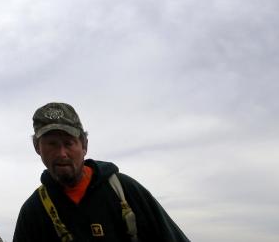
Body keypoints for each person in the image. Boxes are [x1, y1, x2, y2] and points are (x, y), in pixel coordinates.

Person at [12, 102, 190, 242]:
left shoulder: (125, 191)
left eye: (69, 143)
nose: (61, 153)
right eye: (52, 144)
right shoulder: (33, 212)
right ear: (37, 147)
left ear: (84, 145)